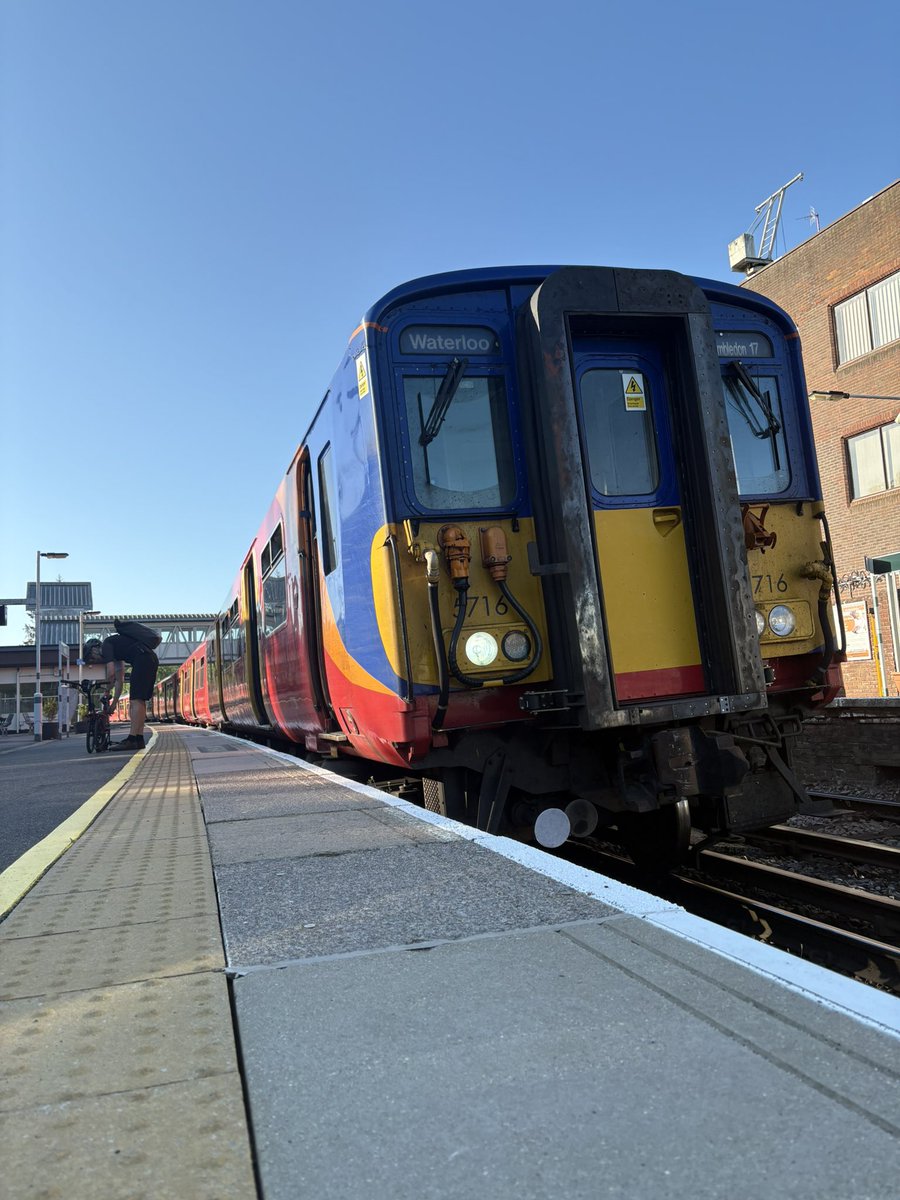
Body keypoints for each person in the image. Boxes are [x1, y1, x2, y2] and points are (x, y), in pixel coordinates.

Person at [83, 632, 159, 750]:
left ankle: (132, 739)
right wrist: (113, 703)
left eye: (92, 657)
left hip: (143, 660)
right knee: (139, 700)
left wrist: (107, 690)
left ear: (94, 649)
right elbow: (119, 680)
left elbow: (111, 674)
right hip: (150, 659)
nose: (95, 660)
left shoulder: (106, 646)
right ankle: (139, 739)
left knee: (135, 701)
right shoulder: (115, 651)